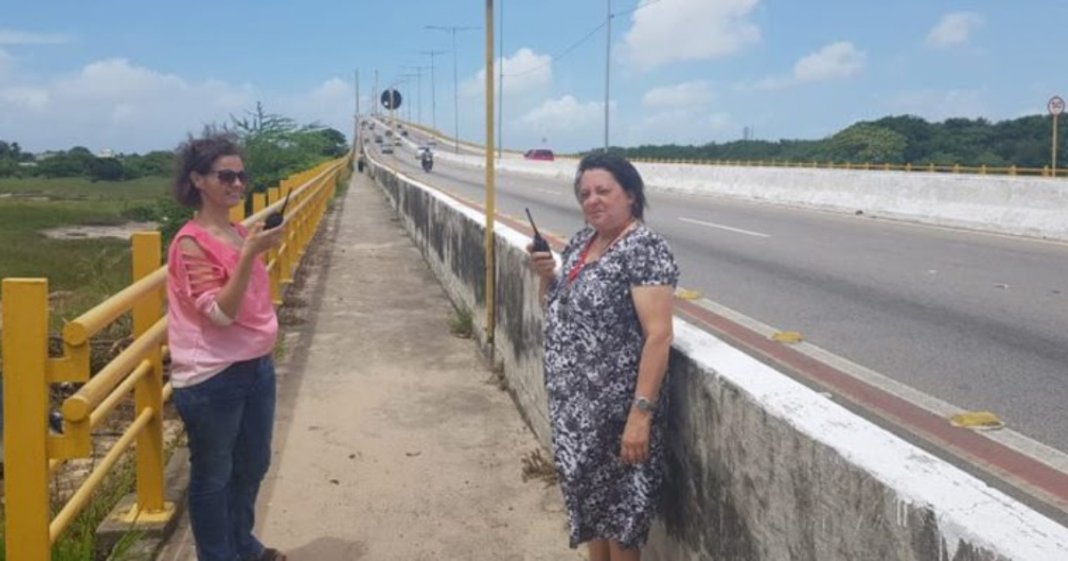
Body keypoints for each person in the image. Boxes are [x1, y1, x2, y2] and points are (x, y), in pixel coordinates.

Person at [527, 152, 679, 560]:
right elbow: (555, 306)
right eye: (585, 193)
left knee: (622, 525)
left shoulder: (643, 248)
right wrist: (546, 277)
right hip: (576, 418)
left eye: (603, 191)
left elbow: (659, 336)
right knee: (591, 516)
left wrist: (640, 416)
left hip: (617, 418)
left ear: (630, 195)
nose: (592, 200)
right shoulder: (582, 242)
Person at [166, 134, 287, 561]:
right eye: (225, 176)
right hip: (212, 377)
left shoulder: (239, 231)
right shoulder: (190, 244)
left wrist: (254, 247)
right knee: (214, 476)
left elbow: (251, 299)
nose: (237, 184)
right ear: (198, 180)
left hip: (255, 366)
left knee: (253, 465)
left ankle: (243, 547)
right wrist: (251, 253)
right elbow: (220, 313)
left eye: (241, 175)